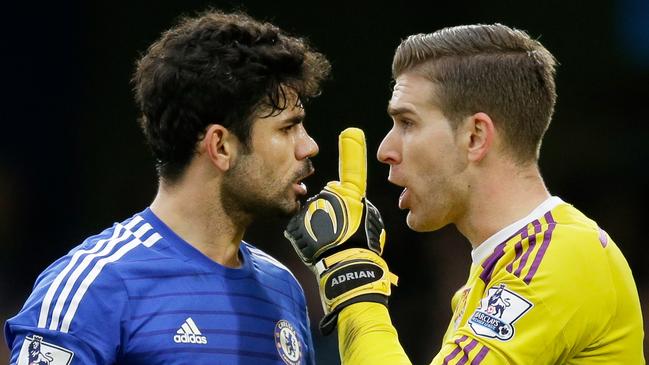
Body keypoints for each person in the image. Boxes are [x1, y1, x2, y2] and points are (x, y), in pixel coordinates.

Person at [284, 24, 644, 364]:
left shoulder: (560, 258)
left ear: (475, 136)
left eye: (407, 123)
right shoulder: (500, 269)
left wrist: (355, 283)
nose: (385, 149)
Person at [5, 9, 330, 365]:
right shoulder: (94, 287)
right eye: (288, 128)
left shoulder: (283, 290)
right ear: (220, 146)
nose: (308, 146)